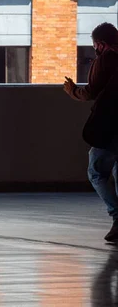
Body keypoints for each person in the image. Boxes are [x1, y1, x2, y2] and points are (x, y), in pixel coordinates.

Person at [64, 22, 118, 243]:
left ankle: (117, 216)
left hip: (110, 125)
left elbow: (91, 92)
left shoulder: (105, 59)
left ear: (101, 44)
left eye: (95, 45)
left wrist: (72, 91)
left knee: (95, 170)